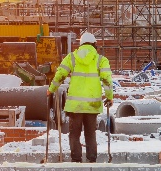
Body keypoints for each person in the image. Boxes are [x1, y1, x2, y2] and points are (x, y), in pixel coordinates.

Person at [47, 31, 114, 163]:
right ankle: (92, 159)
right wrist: (109, 96)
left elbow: (60, 75)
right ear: (94, 44)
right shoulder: (101, 60)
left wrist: (51, 90)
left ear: (81, 44)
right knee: (90, 134)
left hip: (75, 106)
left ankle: (76, 159)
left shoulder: (72, 57)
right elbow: (107, 80)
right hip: (92, 105)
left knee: (74, 134)